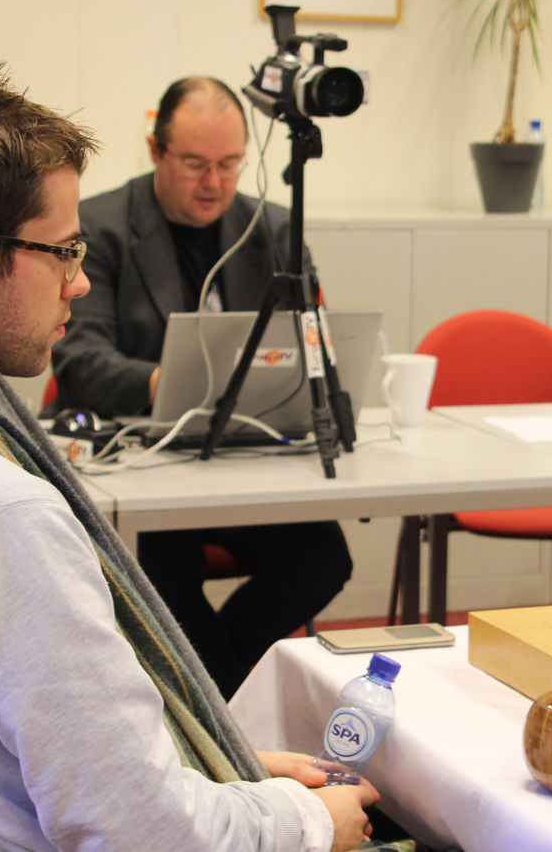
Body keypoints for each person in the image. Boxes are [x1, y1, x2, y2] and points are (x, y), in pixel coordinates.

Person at [0, 65, 380, 851]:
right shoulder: (5, 521)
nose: (79, 280)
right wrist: (309, 821)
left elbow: (83, 772)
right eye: (64, 252)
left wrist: (201, 760)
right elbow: (142, 833)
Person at [51, 76, 353, 697]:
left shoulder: (272, 229)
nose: (214, 182)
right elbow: (78, 363)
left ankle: (210, 697)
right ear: (156, 150)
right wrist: (171, 383)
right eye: (194, 164)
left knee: (322, 558)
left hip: (249, 459)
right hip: (146, 465)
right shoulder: (100, 228)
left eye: (229, 164)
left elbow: (310, 349)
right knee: (156, 572)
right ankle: (225, 711)